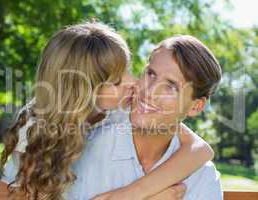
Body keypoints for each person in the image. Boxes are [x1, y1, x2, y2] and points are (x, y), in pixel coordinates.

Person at [0, 22, 214, 200]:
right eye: (116, 81)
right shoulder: (35, 129)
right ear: (83, 92)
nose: (133, 82)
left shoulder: (122, 109)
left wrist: (131, 194)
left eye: (128, 70)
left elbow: (200, 149)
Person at [65, 35, 223, 200]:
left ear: (196, 106)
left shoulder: (203, 178)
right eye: (151, 73)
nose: (150, 91)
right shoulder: (82, 148)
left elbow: (201, 149)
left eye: (170, 86)